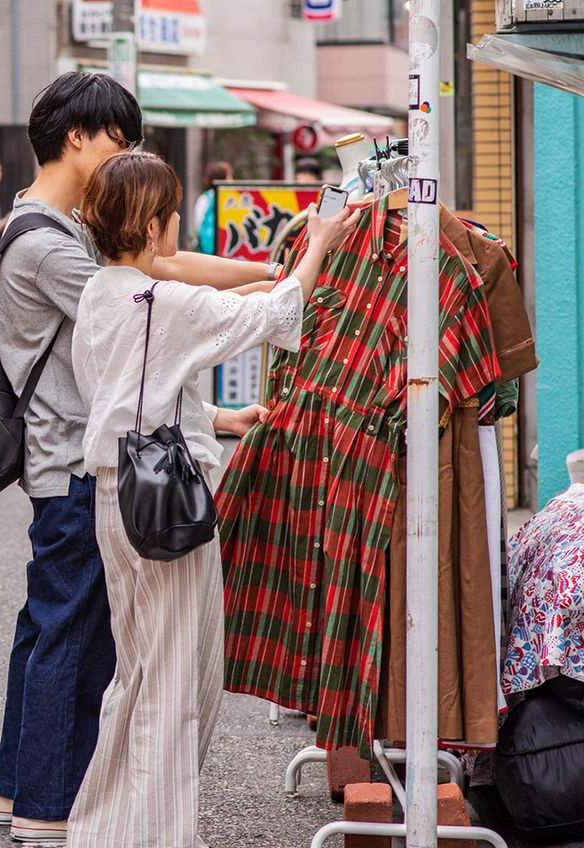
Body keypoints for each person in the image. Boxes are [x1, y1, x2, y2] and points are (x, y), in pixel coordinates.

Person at [0, 71, 283, 843]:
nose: (128, 152)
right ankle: (47, 809)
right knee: (71, 638)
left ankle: (18, 792)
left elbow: (159, 297)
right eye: (121, 139)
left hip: (82, 452)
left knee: (53, 628)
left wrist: (259, 278)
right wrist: (274, 281)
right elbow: (155, 291)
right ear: (77, 138)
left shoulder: (56, 228)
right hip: (74, 461)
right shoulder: (51, 246)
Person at [67, 151, 358, 848]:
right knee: (175, 679)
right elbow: (278, 313)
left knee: (139, 671)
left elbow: (121, 391)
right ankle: (158, 837)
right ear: (147, 224)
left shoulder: (101, 294)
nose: (175, 221)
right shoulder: (160, 301)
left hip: (117, 494)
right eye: (169, 212)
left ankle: (107, 829)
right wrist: (318, 243)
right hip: (166, 504)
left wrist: (219, 420)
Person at [192, 160, 233, 255]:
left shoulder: (204, 198)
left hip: (208, 249)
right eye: (229, 175)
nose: (231, 179)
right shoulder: (230, 199)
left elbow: (198, 223)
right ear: (223, 178)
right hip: (227, 245)